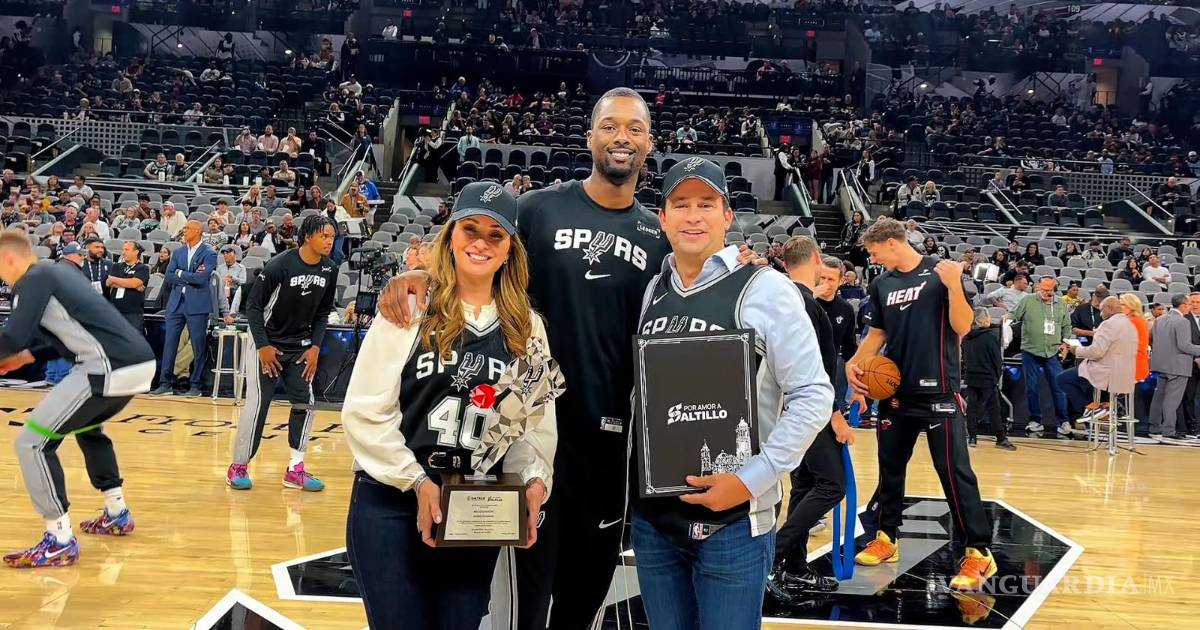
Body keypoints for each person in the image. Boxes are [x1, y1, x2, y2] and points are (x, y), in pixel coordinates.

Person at [375, 88, 757, 630]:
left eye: (634, 128)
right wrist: (421, 274)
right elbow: (479, 254)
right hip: (523, 434)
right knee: (521, 604)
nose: (621, 137)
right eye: (610, 126)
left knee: (584, 598)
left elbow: (700, 288)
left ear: (649, 143)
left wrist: (742, 264)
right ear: (590, 136)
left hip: (610, 443)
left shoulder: (659, 237)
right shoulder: (539, 208)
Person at [342, 183, 557, 629]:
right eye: (470, 229)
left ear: (510, 249)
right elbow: (364, 412)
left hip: (475, 503)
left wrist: (535, 483)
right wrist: (417, 481)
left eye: (495, 235)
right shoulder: (410, 306)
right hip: (393, 501)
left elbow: (532, 428)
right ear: (451, 236)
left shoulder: (527, 326)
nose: (481, 243)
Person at [634, 161, 832, 626]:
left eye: (706, 204)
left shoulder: (766, 288)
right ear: (662, 217)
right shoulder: (654, 290)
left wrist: (751, 479)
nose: (693, 216)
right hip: (655, 521)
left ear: (727, 215)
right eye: (680, 204)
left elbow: (812, 395)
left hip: (733, 522)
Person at [846, 217, 996, 591]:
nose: (872, 258)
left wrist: (954, 285)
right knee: (890, 469)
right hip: (896, 393)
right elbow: (877, 334)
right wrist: (855, 367)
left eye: (874, 251)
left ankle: (978, 552)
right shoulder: (882, 284)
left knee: (955, 473)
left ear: (892, 243)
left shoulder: (942, 272)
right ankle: (886, 537)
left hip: (940, 392)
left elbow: (963, 327)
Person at [0, 230, 154, 567]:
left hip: (108, 366)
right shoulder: (57, 273)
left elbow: (11, 337)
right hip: (138, 363)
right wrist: (26, 357)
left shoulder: (32, 279)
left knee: (32, 443)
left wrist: (16, 350)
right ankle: (116, 512)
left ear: (8, 258)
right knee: (87, 427)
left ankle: (58, 539)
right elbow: (64, 336)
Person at [227, 216, 338, 491]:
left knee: (305, 403)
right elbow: (253, 307)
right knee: (258, 404)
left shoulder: (330, 269)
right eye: (324, 236)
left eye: (332, 237)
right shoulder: (280, 265)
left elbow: (323, 313)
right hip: (268, 344)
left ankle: (295, 469)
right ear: (308, 236)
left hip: (300, 347)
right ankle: (238, 465)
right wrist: (263, 346)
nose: (329, 241)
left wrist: (315, 347)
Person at [768, 236, 849, 599]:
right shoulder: (804, 304)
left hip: (786, 408)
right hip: (807, 411)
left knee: (803, 487)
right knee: (832, 485)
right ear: (816, 258)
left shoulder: (780, 298)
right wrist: (834, 415)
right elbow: (811, 371)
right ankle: (772, 557)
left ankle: (795, 568)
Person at [151, 220, 218, 397]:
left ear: (197, 231)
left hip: (197, 304)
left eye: (187, 228)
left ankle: (196, 385)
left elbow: (201, 278)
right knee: (169, 344)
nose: (184, 231)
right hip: (175, 303)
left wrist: (180, 273)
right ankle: (165, 383)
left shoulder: (209, 253)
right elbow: (169, 276)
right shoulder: (178, 252)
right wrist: (189, 276)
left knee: (198, 345)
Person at [1058, 297, 1138, 429]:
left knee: (1062, 379)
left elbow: (1096, 352)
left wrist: (1076, 350)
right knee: (1086, 382)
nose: (1100, 314)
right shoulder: (1131, 324)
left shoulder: (1108, 324)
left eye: (1102, 310)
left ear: (1109, 308)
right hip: (1125, 374)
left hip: (1106, 373)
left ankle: (1093, 409)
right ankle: (1105, 408)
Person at [1012, 277, 1073, 435]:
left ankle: (1064, 421)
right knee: (1032, 387)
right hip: (1030, 350)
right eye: (1044, 290)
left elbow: (1067, 326)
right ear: (1038, 288)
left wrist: (1065, 343)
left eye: (1049, 291)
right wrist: (1005, 319)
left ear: (1054, 290)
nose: (1046, 293)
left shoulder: (1061, 304)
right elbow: (1014, 315)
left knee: (1058, 386)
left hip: (1052, 351)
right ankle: (1035, 420)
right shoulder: (1028, 300)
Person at [1147, 294, 1200, 441]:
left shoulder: (1160, 319)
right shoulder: (1183, 321)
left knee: (1159, 397)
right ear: (1183, 305)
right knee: (1172, 400)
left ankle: (1154, 427)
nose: (1191, 306)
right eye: (1189, 304)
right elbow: (1184, 346)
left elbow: (1152, 340)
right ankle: (1169, 430)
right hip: (1178, 366)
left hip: (1160, 364)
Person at [961, 308, 1016, 449]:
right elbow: (997, 360)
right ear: (984, 319)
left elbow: (964, 358)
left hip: (971, 377)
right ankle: (1001, 439)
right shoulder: (990, 336)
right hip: (987, 378)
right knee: (994, 409)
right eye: (989, 317)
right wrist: (997, 376)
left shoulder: (966, 337)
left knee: (972, 407)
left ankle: (972, 438)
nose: (990, 319)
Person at [105, 241, 150, 333]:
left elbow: (134, 283)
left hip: (133, 312)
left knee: (132, 338)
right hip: (115, 310)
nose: (123, 252)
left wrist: (115, 279)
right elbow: (108, 282)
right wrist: (130, 283)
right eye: (123, 250)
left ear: (136, 252)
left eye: (126, 250)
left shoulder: (143, 268)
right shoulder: (116, 266)